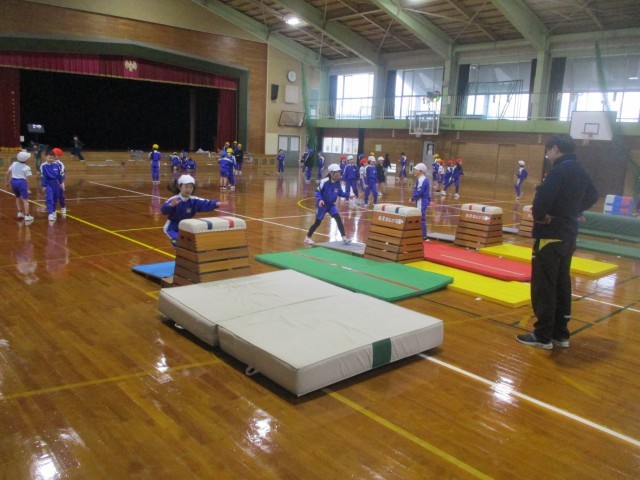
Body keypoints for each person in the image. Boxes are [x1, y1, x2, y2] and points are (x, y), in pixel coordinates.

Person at [516, 134, 599, 350]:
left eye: (548, 151)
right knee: (562, 283)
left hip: (551, 235)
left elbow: (542, 200)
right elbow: (593, 194)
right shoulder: (580, 169)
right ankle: (561, 334)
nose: (548, 155)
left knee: (545, 285)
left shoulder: (558, 170)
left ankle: (543, 335)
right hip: (569, 235)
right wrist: (574, 211)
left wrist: (540, 216)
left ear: (554, 149)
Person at [161, 174, 225, 247]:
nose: (188, 189)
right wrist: (170, 205)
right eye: (186, 187)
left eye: (191, 187)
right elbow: (163, 210)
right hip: (172, 228)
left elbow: (205, 204)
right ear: (180, 187)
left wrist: (216, 204)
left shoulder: (194, 200)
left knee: (191, 246)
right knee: (179, 243)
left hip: (186, 227)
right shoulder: (173, 200)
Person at [304, 163, 352, 245]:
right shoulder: (324, 181)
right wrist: (320, 200)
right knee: (317, 222)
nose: (338, 174)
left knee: (338, 218)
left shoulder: (337, 182)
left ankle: (344, 238)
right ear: (331, 173)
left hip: (331, 205)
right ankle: (307, 238)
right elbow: (317, 192)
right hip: (322, 205)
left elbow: (340, 193)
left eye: (339, 172)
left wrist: (349, 195)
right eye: (336, 172)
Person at [6, 151, 35, 223]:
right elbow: (28, 180)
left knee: (17, 197)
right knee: (25, 200)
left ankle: (20, 212)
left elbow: (7, 173)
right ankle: (27, 215)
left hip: (13, 181)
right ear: (26, 160)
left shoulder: (14, 164)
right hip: (21, 182)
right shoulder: (27, 167)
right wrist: (28, 188)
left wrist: (7, 182)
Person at [40, 149, 65, 222]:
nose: (51, 159)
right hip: (48, 183)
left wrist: (61, 183)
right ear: (46, 157)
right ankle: (50, 213)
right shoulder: (43, 166)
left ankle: (54, 211)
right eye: (49, 158)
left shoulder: (57, 165)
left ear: (55, 158)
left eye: (52, 158)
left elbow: (59, 175)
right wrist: (44, 185)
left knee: (55, 198)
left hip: (56, 183)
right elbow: (43, 176)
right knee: (49, 198)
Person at [410, 163, 431, 240]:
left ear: (421, 171)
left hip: (421, 202)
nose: (414, 171)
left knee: (421, 218)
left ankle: (423, 236)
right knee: (420, 217)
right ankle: (420, 234)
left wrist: (413, 198)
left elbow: (420, 192)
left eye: (416, 170)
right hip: (422, 201)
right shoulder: (423, 179)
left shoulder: (422, 180)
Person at [52, 148, 67, 215]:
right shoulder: (49, 163)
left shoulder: (60, 164)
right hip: (51, 183)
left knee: (61, 196)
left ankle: (63, 207)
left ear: (58, 156)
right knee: (53, 197)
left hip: (59, 183)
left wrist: (61, 182)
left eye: (54, 154)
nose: (53, 155)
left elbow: (63, 174)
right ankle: (53, 210)